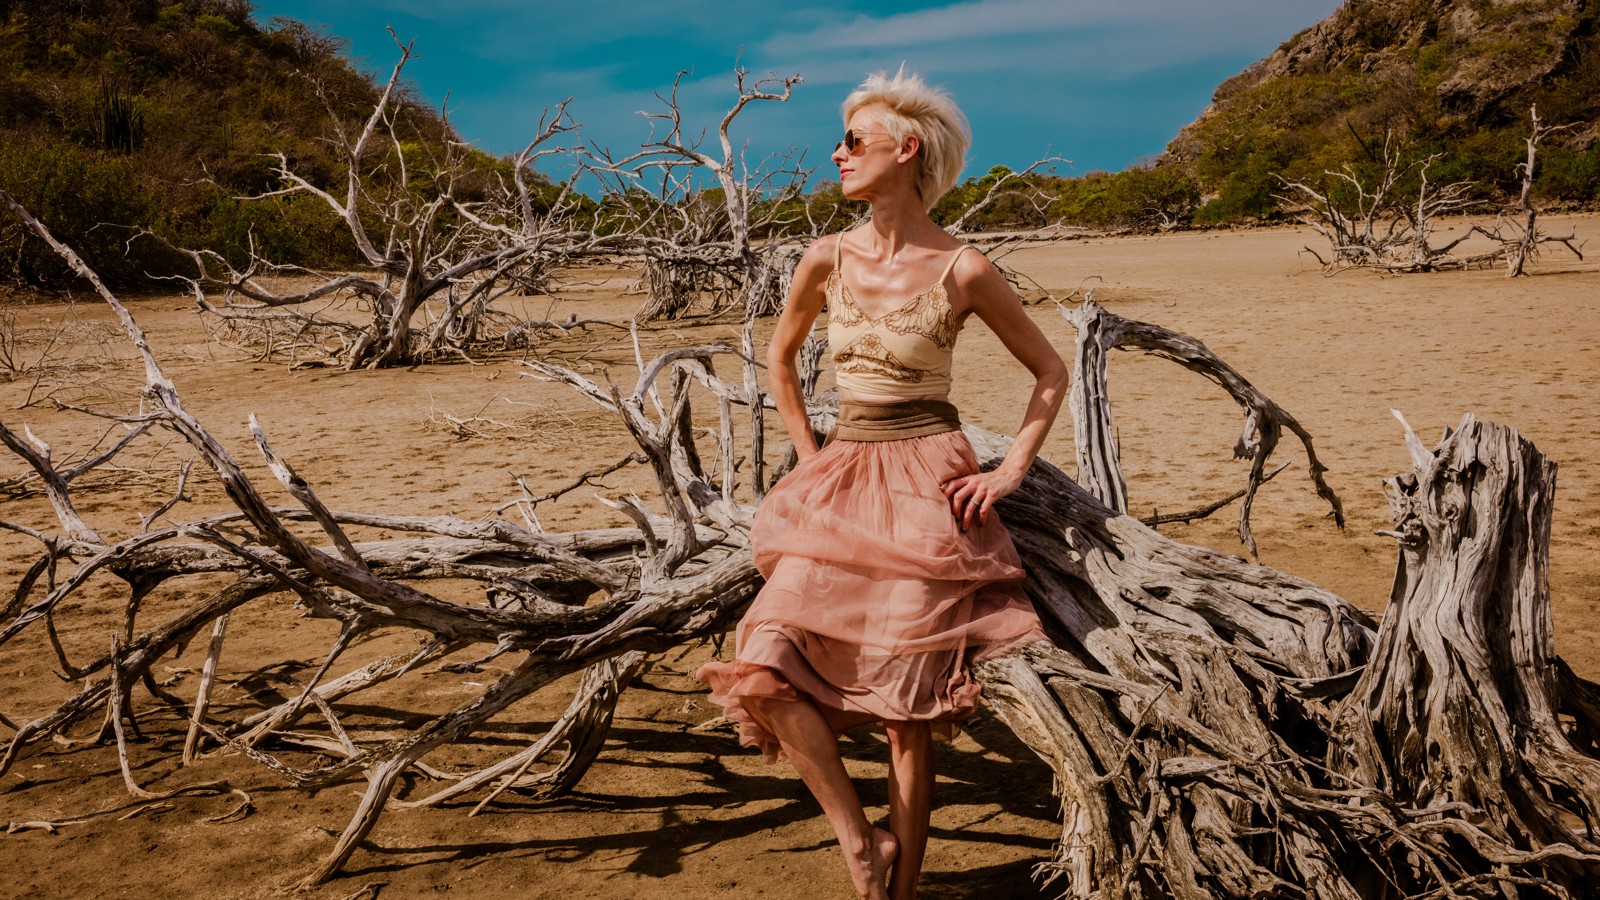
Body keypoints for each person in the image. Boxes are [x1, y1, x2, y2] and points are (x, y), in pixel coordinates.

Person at [696, 69, 1067, 900]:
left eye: (853, 141)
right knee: (760, 668)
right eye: (840, 141)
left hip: (926, 476)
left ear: (906, 151)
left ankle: (890, 894)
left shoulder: (964, 268)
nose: (838, 154)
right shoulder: (824, 257)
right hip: (843, 468)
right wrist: (805, 453)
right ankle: (860, 842)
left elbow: (1049, 370)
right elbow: (780, 358)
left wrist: (1009, 471)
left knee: (908, 711)